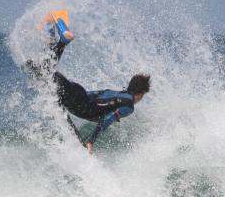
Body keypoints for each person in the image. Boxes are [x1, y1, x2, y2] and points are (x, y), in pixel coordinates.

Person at [25, 9, 151, 154]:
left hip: (78, 95)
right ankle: (59, 33)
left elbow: (93, 96)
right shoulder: (128, 105)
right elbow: (107, 119)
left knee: (45, 70)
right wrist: (91, 141)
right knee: (45, 71)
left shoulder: (117, 94)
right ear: (140, 94)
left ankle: (53, 30)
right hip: (78, 101)